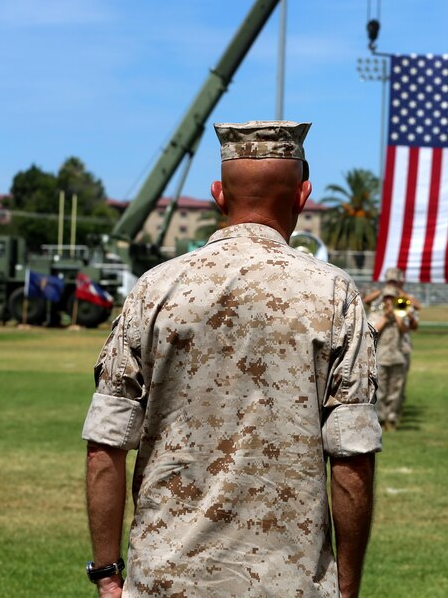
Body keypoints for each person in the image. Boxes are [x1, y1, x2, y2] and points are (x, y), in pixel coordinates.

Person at [82, 120, 381, 597]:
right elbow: (352, 458)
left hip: (165, 579)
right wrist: (346, 589)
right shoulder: (333, 294)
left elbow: (105, 445)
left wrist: (106, 573)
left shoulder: (154, 289)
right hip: (291, 583)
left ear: (218, 194)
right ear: (302, 195)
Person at [364, 268, 419, 431]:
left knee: (396, 389)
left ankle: (392, 419)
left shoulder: (400, 312)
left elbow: (405, 330)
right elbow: (373, 330)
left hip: (398, 356)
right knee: (380, 390)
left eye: (392, 298)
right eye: (387, 298)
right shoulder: (377, 313)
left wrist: (398, 316)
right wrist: (386, 316)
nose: (389, 301)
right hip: (380, 356)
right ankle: (380, 418)